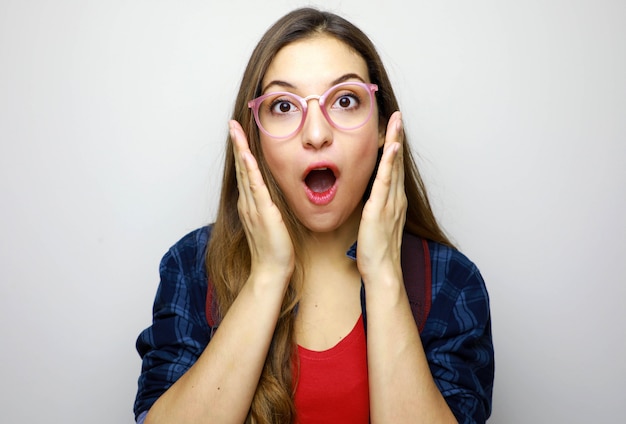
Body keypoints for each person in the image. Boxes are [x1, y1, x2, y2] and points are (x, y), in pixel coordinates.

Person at [133, 7, 494, 424]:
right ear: (253, 137)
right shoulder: (192, 267)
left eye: (345, 101)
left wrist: (383, 275)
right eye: (283, 106)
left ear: (382, 128)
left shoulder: (451, 281)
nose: (317, 134)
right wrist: (268, 274)